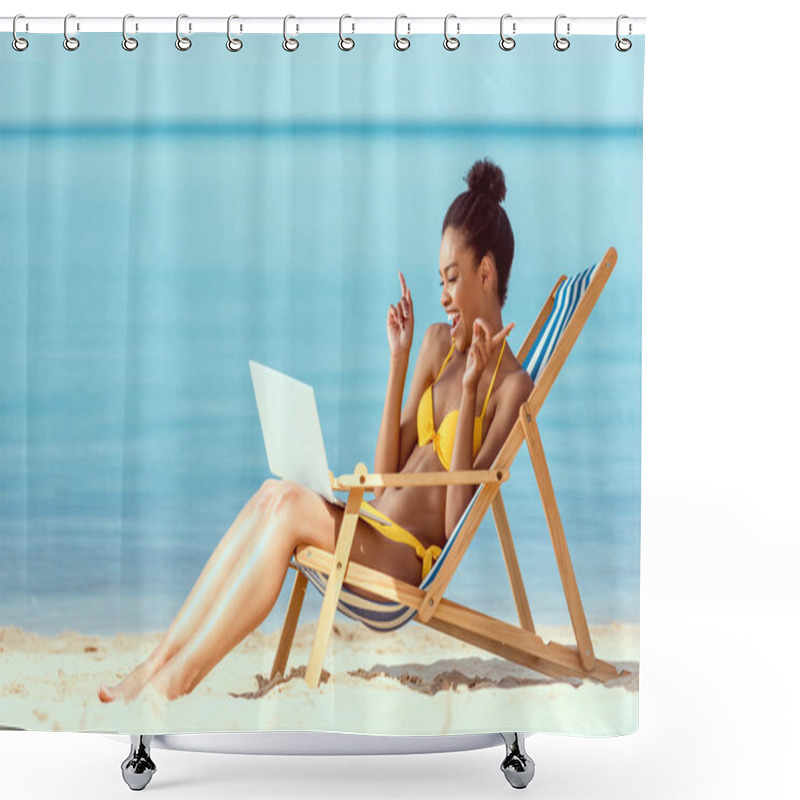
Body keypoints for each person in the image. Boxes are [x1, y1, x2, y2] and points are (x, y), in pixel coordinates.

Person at [98, 157, 534, 703]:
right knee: (270, 493)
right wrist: (398, 362)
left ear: (486, 273)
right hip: (371, 523)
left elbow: (453, 522)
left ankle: (175, 684)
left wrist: (471, 388)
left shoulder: (510, 386)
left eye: (453, 278)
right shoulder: (435, 345)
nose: (444, 295)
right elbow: (382, 479)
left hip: (401, 563)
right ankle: (154, 666)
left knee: (285, 506)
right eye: (439, 281)